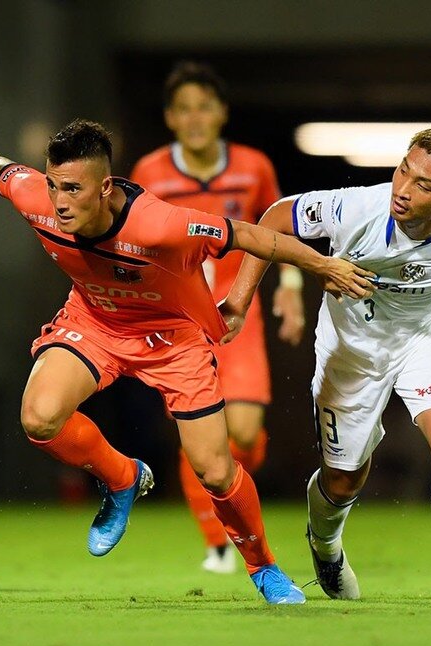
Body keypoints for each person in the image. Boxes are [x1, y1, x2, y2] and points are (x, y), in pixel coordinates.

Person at [0, 119, 375, 604]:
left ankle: (264, 568)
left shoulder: (159, 224)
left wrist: (320, 266)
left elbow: (253, 235)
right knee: (39, 417)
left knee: (215, 472)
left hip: (173, 339)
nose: (59, 202)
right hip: (95, 322)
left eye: (73, 189)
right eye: (54, 185)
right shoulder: (36, 197)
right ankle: (122, 477)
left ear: (104, 187)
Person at [222, 126, 431, 603]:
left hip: (423, 339)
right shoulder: (357, 207)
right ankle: (325, 546)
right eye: (403, 171)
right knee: (344, 478)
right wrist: (240, 301)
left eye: (423, 185)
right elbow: (276, 217)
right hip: (351, 347)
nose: (403, 190)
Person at [130, 61, 304, 574]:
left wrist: (290, 287)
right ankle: (218, 542)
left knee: (244, 434)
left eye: (204, 107)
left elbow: (279, 226)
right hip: (178, 319)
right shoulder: (149, 173)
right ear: (170, 118)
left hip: (236, 315)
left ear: (222, 112)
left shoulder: (253, 167)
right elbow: (131, 240)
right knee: (198, 430)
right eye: (183, 109)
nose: (195, 118)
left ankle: (232, 498)